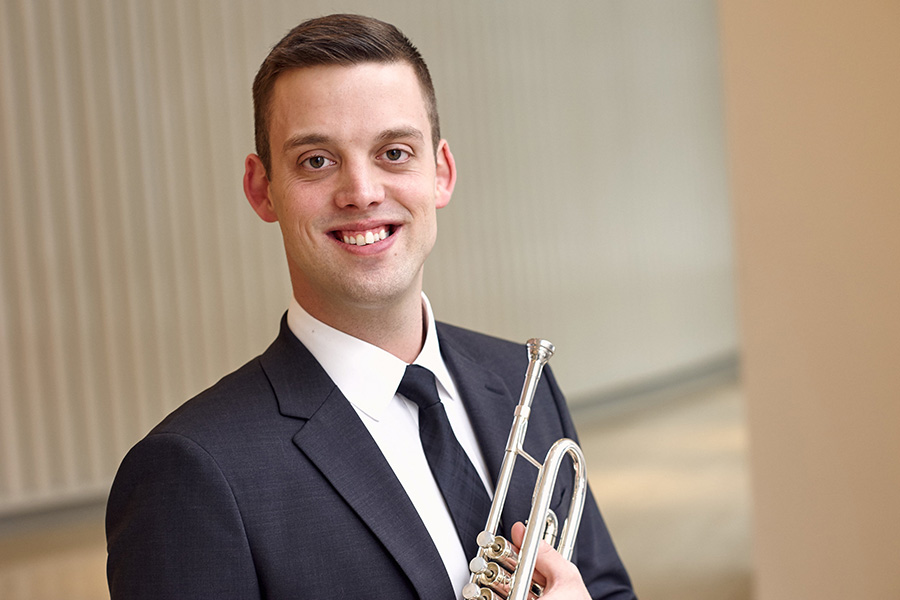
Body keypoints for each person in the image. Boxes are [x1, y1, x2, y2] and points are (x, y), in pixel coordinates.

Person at [106, 13, 635, 600]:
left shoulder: (520, 381)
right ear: (262, 189)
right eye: (316, 160)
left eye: (394, 152)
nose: (361, 192)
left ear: (441, 172)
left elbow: (606, 588)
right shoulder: (191, 473)